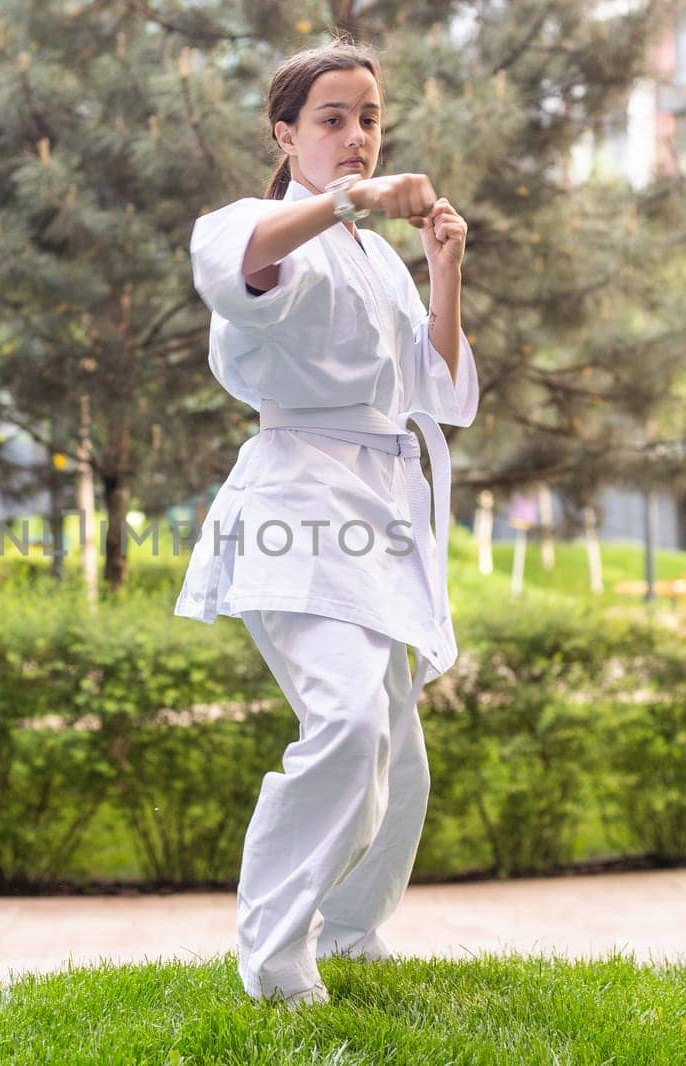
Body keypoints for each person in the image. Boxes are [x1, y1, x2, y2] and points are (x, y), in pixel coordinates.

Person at [172, 39, 480, 1008]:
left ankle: (350, 928)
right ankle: (272, 955)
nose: (356, 138)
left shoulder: (374, 260)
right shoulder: (265, 224)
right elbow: (237, 266)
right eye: (332, 119)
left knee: (400, 751)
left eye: (370, 119)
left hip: (379, 515)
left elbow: (438, 393)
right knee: (346, 723)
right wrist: (353, 200)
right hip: (297, 507)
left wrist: (440, 269)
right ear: (286, 133)